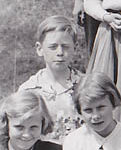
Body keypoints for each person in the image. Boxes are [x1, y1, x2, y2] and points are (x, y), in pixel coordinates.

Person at [17, 15, 84, 143]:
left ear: (75, 48)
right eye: (53, 47)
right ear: (39, 49)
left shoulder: (85, 85)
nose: (60, 52)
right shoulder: (29, 90)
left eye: (66, 46)